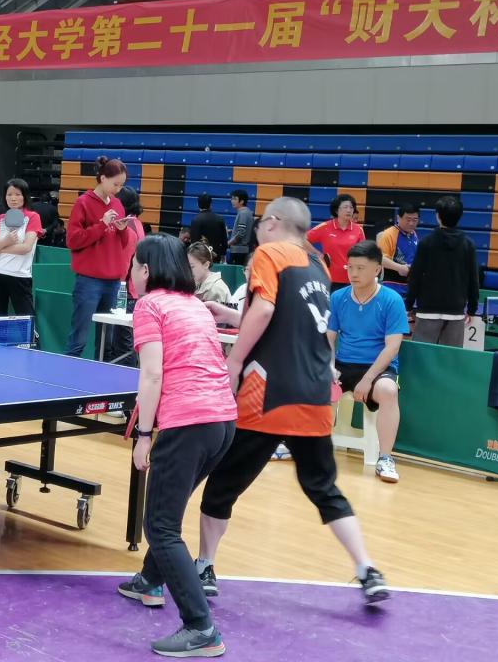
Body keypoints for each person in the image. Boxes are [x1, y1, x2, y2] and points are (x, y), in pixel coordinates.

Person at [194, 197, 389, 605]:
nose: (258, 231)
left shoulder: (270, 254)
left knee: (223, 486)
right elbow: (288, 320)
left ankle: (205, 566)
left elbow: (265, 310)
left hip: (267, 393)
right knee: (323, 487)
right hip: (314, 394)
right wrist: (231, 315)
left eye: (261, 224)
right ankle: (366, 569)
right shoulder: (317, 265)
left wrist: (234, 361)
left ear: (274, 223)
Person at [116, 233, 237, 658]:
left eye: (134, 265)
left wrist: (143, 435)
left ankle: (201, 628)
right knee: (169, 507)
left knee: (160, 527)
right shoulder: (195, 304)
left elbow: (152, 375)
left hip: (188, 423)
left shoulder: (149, 305)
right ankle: (150, 581)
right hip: (223, 423)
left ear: (146, 270)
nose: (131, 272)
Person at [328, 240, 409, 484]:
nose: (353, 273)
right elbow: (328, 339)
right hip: (343, 364)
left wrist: (367, 379)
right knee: (311, 380)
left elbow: (392, 346)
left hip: (377, 368)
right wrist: (328, 367)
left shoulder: (392, 300)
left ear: (377, 269)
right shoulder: (338, 297)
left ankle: (385, 458)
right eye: (350, 267)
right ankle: (302, 445)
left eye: (361, 268)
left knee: (388, 391)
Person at [63, 156, 131, 357]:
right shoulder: (83, 203)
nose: (118, 189)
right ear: (102, 178)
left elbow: (123, 243)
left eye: (121, 185)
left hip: (113, 280)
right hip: (89, 280)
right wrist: (101, 225)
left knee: (106, 341)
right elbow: (73, 240)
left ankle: (102, 373)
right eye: (115, 184)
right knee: (79, 337)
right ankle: (65, 371)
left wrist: (123, 230)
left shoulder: (118, 204)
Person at [405, 195, 479, 347]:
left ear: (438, 216)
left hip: (427, 310)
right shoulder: (468, 244)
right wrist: (472, 309)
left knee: (423, 356)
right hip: (456, 312)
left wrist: (408, 305)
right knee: (449, 358)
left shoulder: (426, 243)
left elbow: (415, 276)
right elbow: (474, 279)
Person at [0, 178, 43, 318]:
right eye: (9, 194)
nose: (13, 198)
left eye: (18, 194)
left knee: (26, 320)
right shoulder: (0, 219)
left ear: (25, 196)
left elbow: (26, 247)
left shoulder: (33, 217)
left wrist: (0, 248)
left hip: (20, 276)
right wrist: (6, 241)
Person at [109, 185, 146, 364]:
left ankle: (127, 379)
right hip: (131, 292)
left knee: (123, 346)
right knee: (124, 344)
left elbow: (125, 260)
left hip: (125, 292)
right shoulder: (136, 222)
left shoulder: (127, 225)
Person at [306, 193, 365, 292]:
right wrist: (317, 254)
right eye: (345, 207)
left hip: (351, 280)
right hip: (328, 279)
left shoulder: (358, 230)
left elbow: (364, 253)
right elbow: (302, 239)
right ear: (337, 210)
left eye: (351, 207)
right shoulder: (325, 227)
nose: (349, 210)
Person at [376, 202, 420, 292]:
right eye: (408, 219)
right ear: (398, 218)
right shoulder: (388, 234)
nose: (411, 223)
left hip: (410, 284)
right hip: (392, 285)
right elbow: (380, 258)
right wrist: (399, 268)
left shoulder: (414, 234)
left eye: (415, 220)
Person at [189, 194, 228, 263]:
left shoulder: (196, 220)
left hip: (200, 257)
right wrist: (223, 254)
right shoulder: (220, 219)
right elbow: (224, 241)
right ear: (210, 204)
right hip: (216, 256)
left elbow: (194, 242)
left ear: (198, 204)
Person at [227, 190, 253, 266]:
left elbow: (241, 233)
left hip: (239, 251)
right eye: (232, 198)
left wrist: (228, 243)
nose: (232, 201)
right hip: (243, 251)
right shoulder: (246, 212)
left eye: (235, 199)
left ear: (241, 201)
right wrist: (232, 231)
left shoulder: (243, 213)